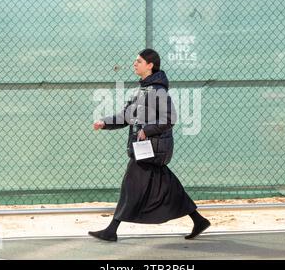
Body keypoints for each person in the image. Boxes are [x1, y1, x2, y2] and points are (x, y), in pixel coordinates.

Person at [89, 49, 210, 242]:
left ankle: (112, 229)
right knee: (166, 184)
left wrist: (148, 130)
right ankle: (199, 220)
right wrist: (104, 122)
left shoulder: (158, 91)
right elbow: (125, 117)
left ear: (150, 65)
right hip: (145, 147)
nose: (134, 64)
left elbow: (170, 118)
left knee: (131, 184)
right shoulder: (140, 90)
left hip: (150, 147)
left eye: (138, 61)